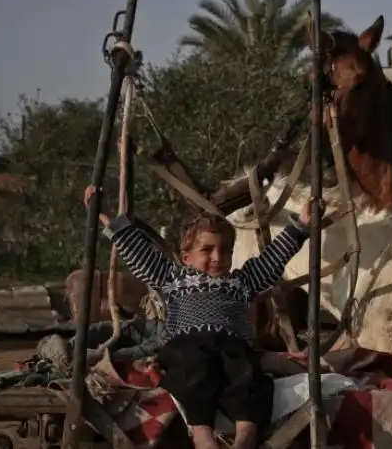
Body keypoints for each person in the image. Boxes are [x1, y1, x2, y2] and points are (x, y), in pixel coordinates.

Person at [83, 185, 313, 449]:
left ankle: (245, 438)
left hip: (231, 346)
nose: (218, 257)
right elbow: (139, 253)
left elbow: (272, 260)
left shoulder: (242, 282)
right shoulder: (173, 279)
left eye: (225, 250)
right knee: (194, 372)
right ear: (186, 258)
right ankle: (203, 437)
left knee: (250, 377)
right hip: (188, 344)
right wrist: (107, 215)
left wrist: (302, 226)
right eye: (207, 250)